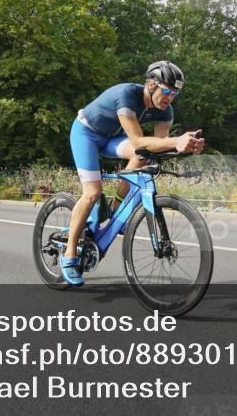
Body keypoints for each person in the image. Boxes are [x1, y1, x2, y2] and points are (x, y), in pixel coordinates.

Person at [62, 60, 205, 286]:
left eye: (175, 93)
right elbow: (139, 140)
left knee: (142, 156)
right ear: (151, 84)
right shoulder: (127, 95)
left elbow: (157, 146)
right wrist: (175, 141)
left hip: (111, 139)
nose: (170, 97)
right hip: (86, 134)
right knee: (92, 193)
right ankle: (69, 255)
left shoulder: (165, 111)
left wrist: (186, 147)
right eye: (166, 90)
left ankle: (116, 209)